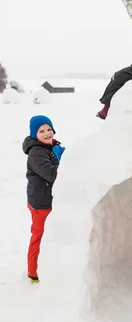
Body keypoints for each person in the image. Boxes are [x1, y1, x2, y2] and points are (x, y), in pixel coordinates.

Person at [22, 115, 65, 283]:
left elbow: (73, 156)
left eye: (49, 129)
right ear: (35, 135)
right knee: (39, 236)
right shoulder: (36, 153)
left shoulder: (54, 147)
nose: (47, 133)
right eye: (41, 131)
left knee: (51, 236)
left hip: (50, 199)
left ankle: (49, 266)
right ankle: (33, 272)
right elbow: (51, 174)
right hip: (40, 202)